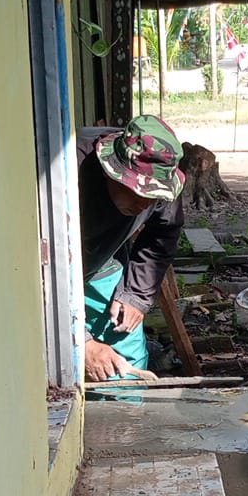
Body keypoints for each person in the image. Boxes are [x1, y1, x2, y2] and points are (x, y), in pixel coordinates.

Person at [77, 115, 186, 382]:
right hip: (45, 270)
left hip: (103, 260)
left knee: (127, 359)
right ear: (109, 169)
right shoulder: (67, 169)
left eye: (152, 197)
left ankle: (126, 406)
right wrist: (81, 340)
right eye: (136, 192)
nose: (143, 204)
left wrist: (136, 293)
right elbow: (26, 276)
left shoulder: (163, 176)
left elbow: (162, 235)